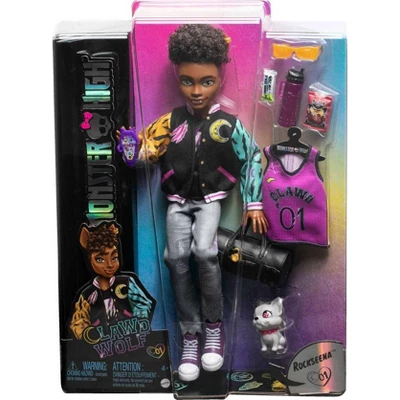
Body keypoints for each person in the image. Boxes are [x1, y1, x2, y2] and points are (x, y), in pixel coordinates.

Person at [121, 24, 268, 382]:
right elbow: (147, 149)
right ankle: (190, 334)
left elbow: (252, 156)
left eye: (207, 81)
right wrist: (131, 150)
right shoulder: (171, 121)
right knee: (175, 258)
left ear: (220, 78)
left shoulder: (228, 124)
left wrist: (253, 202)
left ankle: (213, 327)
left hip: (209, 200)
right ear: (177, 76)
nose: (197, 90)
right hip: (176, 201)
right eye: (188, 81)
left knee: (204, 251)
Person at [69, 222, 155, 342]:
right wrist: (89, 334)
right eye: (100, 259)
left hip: (131, 342)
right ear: (90, 260)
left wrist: (137, 327)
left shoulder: (126, 283)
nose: (109, 265)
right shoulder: (87, 295)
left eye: (114, 258)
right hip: (102, 346)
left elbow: (143, 305)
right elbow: (78, 321)